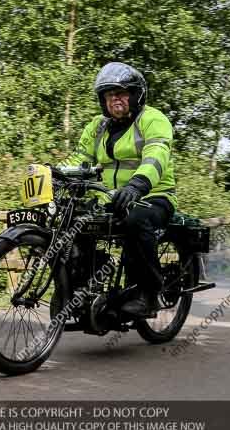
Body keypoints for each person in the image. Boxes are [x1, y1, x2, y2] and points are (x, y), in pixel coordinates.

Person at [60, 62, 177, 317]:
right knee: (74, 221)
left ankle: (148, 293)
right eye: (110, 95)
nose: (116, 99)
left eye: (122, 93)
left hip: (154, 196)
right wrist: (54, 173)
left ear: (136, 95)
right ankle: (80, 288)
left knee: (135, 220)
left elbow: (156, 155)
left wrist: (138, 184)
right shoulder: (97, 126)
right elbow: (79, 159)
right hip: (111, 198)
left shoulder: (153, 120)